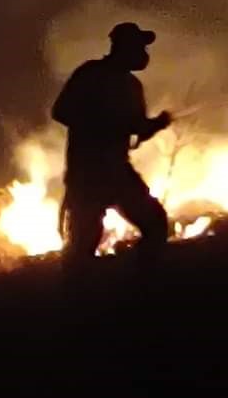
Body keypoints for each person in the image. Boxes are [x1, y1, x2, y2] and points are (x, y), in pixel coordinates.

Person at [52, 22, 172, 268]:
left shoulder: (132, 85)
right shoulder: (90, 74)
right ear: (124, 47)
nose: (144, 54)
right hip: (88, 174)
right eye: (139, 47)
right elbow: (61, 112)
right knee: (83, 244)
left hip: (117, 171)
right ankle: (76, 295)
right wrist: (105, 124)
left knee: (155, 223)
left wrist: (153, 126)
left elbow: (134, 129)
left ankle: (136, 286)